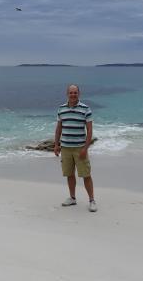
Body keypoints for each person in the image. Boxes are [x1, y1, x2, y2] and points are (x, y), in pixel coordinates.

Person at [54, 84, 97, 212]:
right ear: (67, 94)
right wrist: (56, 145)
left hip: (80, 148)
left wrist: (85, 148)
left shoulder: (85, 109)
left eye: (75, 92)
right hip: (66, 148)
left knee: (86, 175)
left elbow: (89, 130)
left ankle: (92, 200)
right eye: (71, 92)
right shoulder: (61, 109)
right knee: (69, 174)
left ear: (79, 94)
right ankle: (72, 198)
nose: (73, 95)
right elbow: (59, 128)